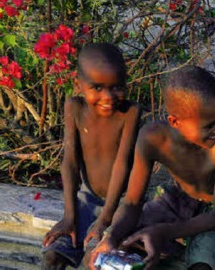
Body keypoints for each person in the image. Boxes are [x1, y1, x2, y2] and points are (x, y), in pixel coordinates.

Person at [89, 65, 215, 270]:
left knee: (203, 264)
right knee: (108, 251)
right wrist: (113, 236)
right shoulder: (153, 139)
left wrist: (163, 231)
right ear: (175, 122)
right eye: (209, 125)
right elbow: (131, 202)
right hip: (180, 200)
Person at [42, 43, 141, 269]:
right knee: (52, 257)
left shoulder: (130, 112)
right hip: (86, 200)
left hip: (120, 204)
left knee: (94, 260)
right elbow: (69, 162)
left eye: (116, 87)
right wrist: (69, 215)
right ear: (78, 84)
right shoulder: (74, 107)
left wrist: (105, 220)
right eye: (97, 88)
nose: (108, 97)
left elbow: (122, 164)